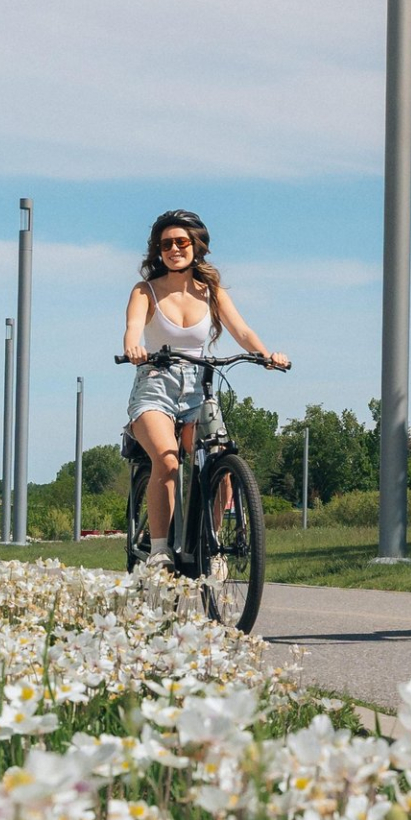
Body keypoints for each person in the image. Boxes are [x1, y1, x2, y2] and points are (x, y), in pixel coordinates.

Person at [122, 210, 289, 569]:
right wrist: (134, 346)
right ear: (158, 251)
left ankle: (211, 550)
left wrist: (266, 355)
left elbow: (240, 330)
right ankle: (161, 550)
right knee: (166, 460)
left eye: (181, 242)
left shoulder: (210, 291)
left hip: (199, 385)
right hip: (155, 384)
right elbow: (134, 326)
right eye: (166, 244)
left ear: (196, 247)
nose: (174, 249)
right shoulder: (145, 290)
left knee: (221, 464)